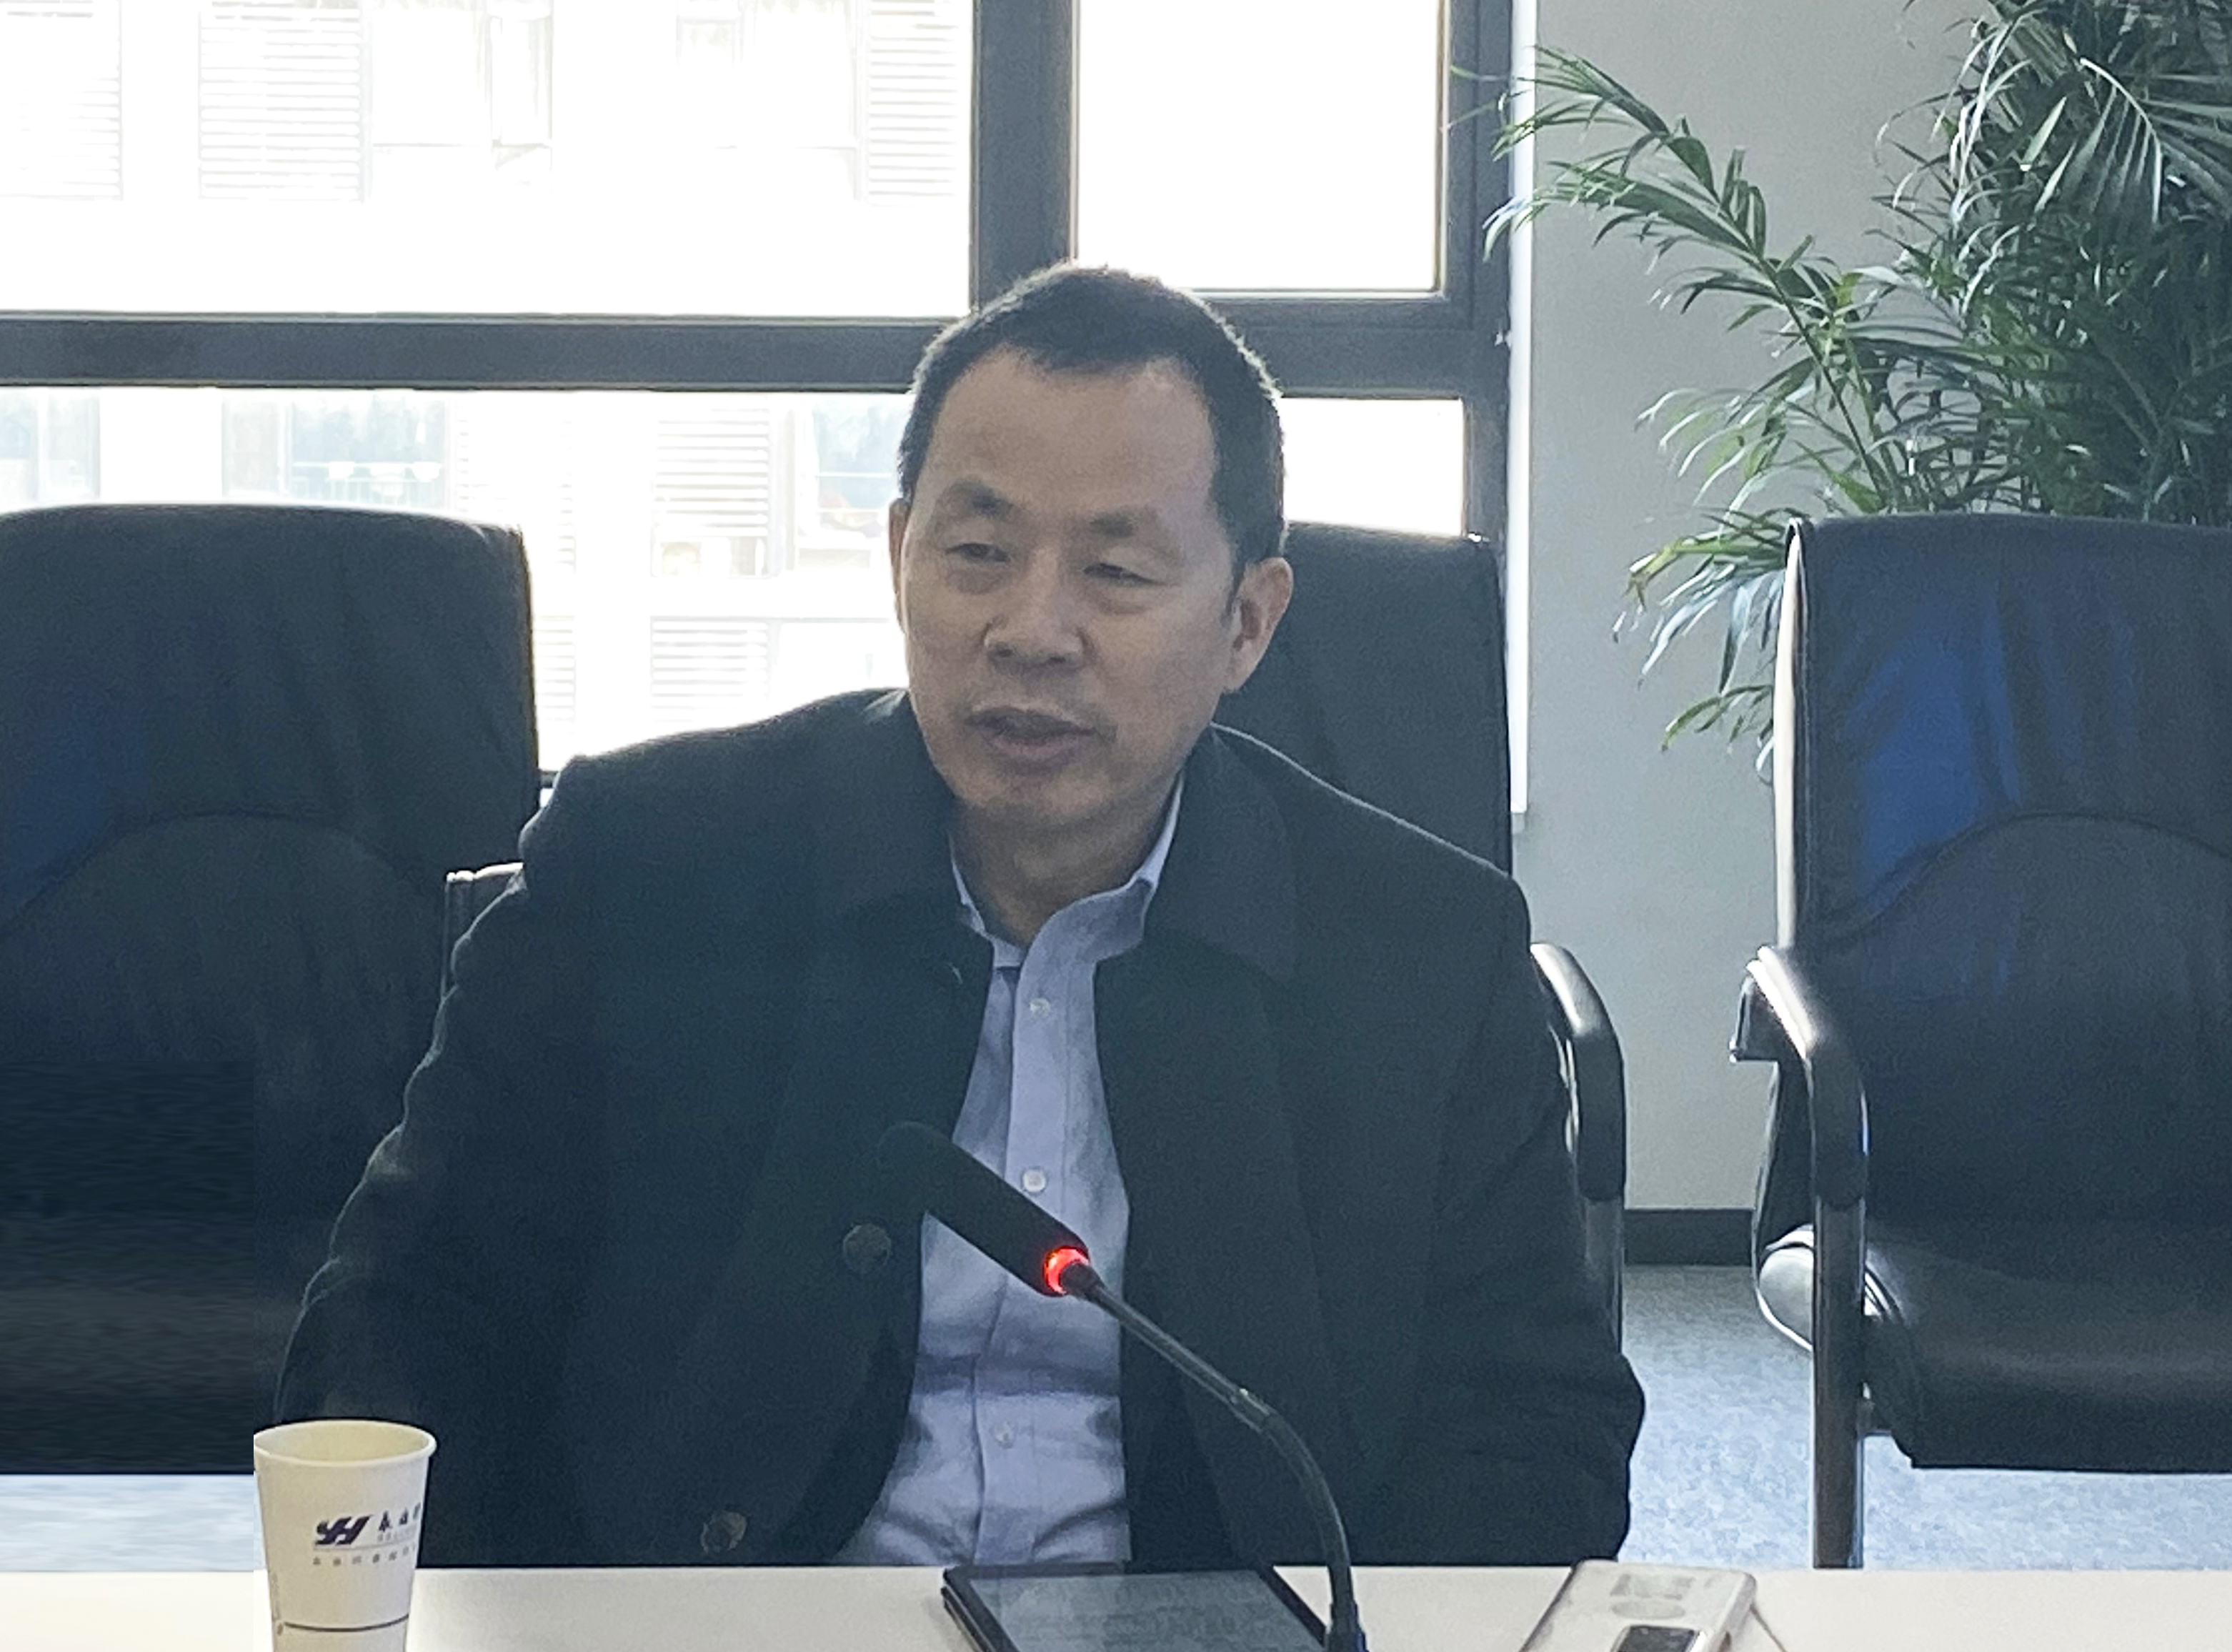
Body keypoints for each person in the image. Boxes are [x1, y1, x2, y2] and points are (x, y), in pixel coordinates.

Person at [277, 264, 1644, 1570]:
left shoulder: (1421, 952)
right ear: (898, 558)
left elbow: (1537, 1421)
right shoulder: (647, 867)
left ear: (1247, 623)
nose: (1031, 630)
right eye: (978, 552)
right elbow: (404, 1312)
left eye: (1116, 573)